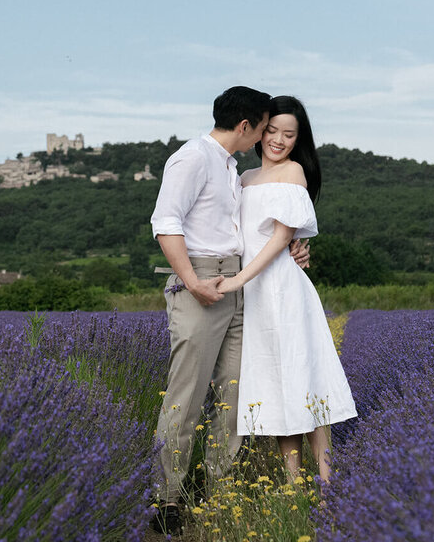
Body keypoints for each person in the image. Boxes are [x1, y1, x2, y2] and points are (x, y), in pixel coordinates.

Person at [148, 87, 309, 535]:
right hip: (199, 279)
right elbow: (166, 223)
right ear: (245, 127)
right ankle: (166, 498)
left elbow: (252, 228)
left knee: (235, 396)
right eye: (262, 126)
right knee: (187, 393)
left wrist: (294, 250)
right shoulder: (192, 159)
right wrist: (192, 281)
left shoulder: (231, 168)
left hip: (238, 283)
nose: (265, 135)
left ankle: (219, 490)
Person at [217, 96, 357, 482]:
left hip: (281, 289)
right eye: (273, 130)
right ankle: (294, 485)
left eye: (289, 134)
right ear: (259, 131)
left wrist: (238, 280)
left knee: (302, 376)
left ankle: (327, 480)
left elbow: (281, 239)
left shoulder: (294, 172)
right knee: (275, 383)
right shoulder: (243, 180)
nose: (279, 140)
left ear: (299, 139)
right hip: (254, 297)